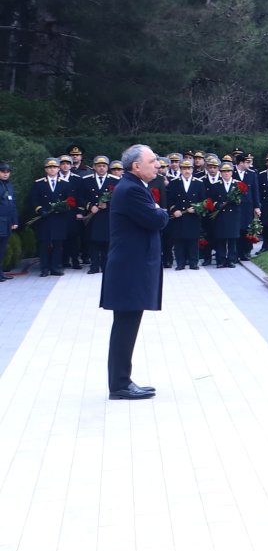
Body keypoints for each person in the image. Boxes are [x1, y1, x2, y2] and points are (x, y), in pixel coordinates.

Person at [103, 145, 166, 401]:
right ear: (136, 166)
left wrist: (157, 212)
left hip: (131, 267)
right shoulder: (131, 190)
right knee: (125, 326)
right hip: (129, 269)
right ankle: (119, 384)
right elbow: (157, 220)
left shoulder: (135, 187)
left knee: (127, 325)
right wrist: (160, 212)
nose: (158, 165)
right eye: (152, 161)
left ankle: (122, 381)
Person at [29, 157, 74, 275]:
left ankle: (56, 267)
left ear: (58, 169)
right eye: (50, 167)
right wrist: (39, 210)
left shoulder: (65, 184)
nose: (52, 169)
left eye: (54, 167)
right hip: (44, 218)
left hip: (59, 218)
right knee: (43, 244)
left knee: (58, 244)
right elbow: (33, 200)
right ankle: (44, 268)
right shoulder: (38, 183)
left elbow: (70, 200)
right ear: (46, 169)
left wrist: (62, 208)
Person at [0, 162, 17, 280]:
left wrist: (14, 221)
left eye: (7, 172)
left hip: (7, 221)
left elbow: (12, 204)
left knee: (2, 248)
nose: (6, 174)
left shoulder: (9, 185)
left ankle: (0, 272)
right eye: (3, 172)